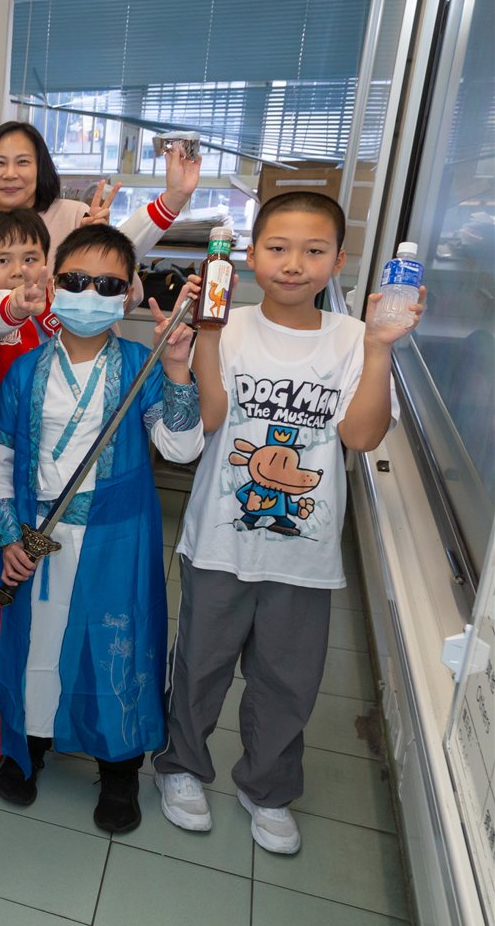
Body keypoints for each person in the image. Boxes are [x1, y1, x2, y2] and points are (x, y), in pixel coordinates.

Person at [154, 191, 417, 855]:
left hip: (305, 553)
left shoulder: (354, 339)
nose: (294, 263)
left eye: (313, 250)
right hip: (219, 541)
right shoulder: (229, 325)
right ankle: (182, 767)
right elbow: (210, 419)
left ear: (339, 260)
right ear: (250, 254)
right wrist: (204, 338)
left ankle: (267, 787)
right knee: (200, 666)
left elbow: (361, 436)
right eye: (277, 248)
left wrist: (380, 349)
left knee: (287, 680)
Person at [0, 224, 203, 833]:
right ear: (54, 285)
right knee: (38, 647)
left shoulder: (141, 363)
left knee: (115, 648)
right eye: (76, 281)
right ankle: (29, 745)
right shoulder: (25, 370)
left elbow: (181, 448)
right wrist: (6, 537)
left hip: (117, 539)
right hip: (36, 536)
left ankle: (119, 767)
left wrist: (177, 367)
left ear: (129, 293)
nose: (89, 294)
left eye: (107, 285)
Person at [0, 121, 200, 289]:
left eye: (23, 162)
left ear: (40, 169)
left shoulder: (77, 217)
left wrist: (99, 243)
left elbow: (125, 294)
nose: (10, 174)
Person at [0, 208, 54, 395]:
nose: (18, 271)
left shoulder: (56, 302)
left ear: (46, 261)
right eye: (3, 261)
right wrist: (13, 309)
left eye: (29, 259)